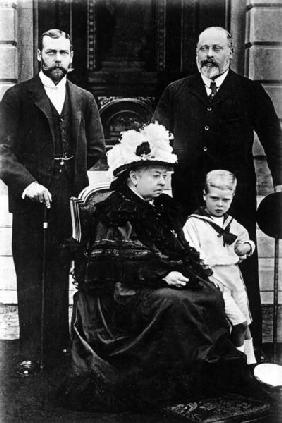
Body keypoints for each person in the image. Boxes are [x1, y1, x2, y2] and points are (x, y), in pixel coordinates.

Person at [62, 123, 267, 411]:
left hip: (153, 281)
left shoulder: (160, 208)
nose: (163, 182)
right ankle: (172, 382)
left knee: (207, 293)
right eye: (156, 175)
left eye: (166, 176)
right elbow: (109, 263)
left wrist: (192, 272)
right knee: (176, 302)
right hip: (121, 291)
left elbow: (179, 249)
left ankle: (200, 377)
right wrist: (161, 274)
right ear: (134, 176)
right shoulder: (116, 209)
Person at [153, 26, 282, 356]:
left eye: (216, 48)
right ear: (196, 53)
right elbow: (155, 139)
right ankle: (195, 348)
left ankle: (247, 349)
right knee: (191, 265)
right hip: (186, 197)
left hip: (232, 197)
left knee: (238, 265)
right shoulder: (176, 91)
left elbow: (274, 139)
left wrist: (281, 182)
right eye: (203, 49)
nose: (208, 55)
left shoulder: (249, 91)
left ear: (230, 52)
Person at [0, 29, 105, 374]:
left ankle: (58, 348)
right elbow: (2, 151)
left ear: (72, 57)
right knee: (30, 273)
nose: (57, 59)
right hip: (30, 201)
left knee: (59, 273)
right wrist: (27, 183)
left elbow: (96, 149)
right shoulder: (17, 96)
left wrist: (69, 178)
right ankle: (29, 352)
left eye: (63, 53)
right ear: (40, 56)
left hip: (66, 201)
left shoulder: (84, 99)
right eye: (51, 53)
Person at [183, 170, 256, 365]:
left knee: (246, 323)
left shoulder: (233, 223)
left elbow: (246, 240)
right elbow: (191, 254)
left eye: (226, 200)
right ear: (204, 195)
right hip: (213, 277)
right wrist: (207, 275)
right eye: (214, 198)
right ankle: (238, 365)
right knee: (237, 323)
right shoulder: (193, 224)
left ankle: (251, 363)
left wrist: (246, 247)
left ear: (232, 198)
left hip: (234, 276)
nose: (220, 204)